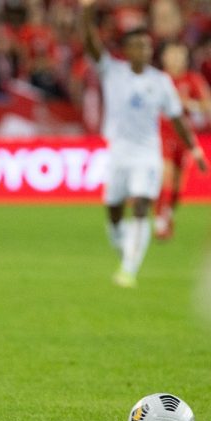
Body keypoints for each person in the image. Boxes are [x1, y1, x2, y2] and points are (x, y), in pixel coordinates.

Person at [80, 0, 207, 288]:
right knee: (113, 212)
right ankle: (128, 250)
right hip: (118, 154)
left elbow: (177, 118)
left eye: (149, 47)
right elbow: (89, 42)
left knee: (140, 205)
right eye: (139, 46)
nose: (146, 51)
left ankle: (128, 269)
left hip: (147, 155)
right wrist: (86, 10)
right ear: (127, 50)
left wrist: (195, 149)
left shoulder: (160, 81)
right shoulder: (112, 71)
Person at [155, 41, 211, 240]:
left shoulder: (192, 79)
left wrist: (190, 104)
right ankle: (160, 222)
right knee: (166, 174)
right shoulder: (159, 80)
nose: (176, 59)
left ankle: (168, 214)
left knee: (178, 186)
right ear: (164, 58)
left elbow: (207, 105)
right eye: (172, 55)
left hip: (184, 136)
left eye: (180, 55)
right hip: (162, 133)